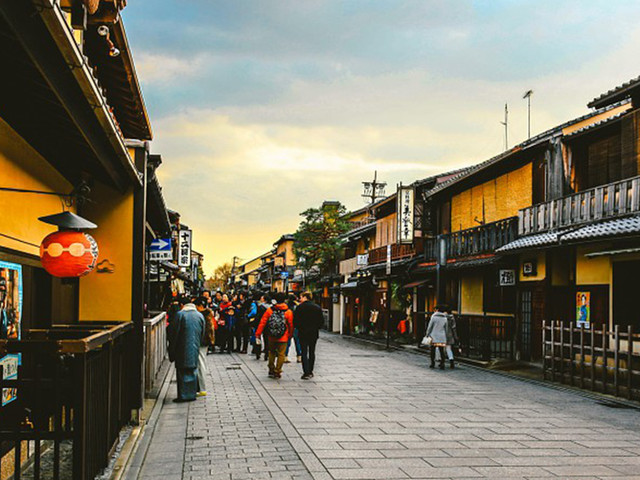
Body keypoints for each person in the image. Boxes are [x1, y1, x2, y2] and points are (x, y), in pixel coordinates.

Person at [167, 296, 205, 402]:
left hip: (181, 346)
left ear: (182, 305)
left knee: (182, 371)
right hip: (195, 346)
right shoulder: (199, 315)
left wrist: (172, 349)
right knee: (193, 369)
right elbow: (203, 332)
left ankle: (183, 395)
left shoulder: (180, 315)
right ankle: (191, 394)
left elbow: (173, 333)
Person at [255, 291, 294, 379]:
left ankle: (271, 369)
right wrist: (290, 335)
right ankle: (277, 371)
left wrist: (258, 333)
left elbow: (263, 322)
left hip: (271, 335)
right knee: (281, 354)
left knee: (271, 352)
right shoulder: (288, 312)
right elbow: (291, 324)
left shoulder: (270, 310)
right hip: (283, 336)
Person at [294, 291, 324, 379]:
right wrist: (315, 327)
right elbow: (321, 322)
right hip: (313, 333)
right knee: (312, 352)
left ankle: (306, 372)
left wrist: (300, 327)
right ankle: (311, 371)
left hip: (303, 332)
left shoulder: (299, 308)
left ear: (305, 297)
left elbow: (295, 321)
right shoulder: (317, 307)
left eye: (301, 297)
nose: (300, 299)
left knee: (304, 352)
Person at [426, 305, 449, 370]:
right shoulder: (445, 318)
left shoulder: (433, 317)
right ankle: (442, 363)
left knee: (432, 350)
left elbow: (430, 327)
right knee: (442, 351)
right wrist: (446, 336)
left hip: (434, 336)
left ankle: (432, 363)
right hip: (442, 336)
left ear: (437, 310)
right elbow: (446, 329)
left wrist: (427, 334)